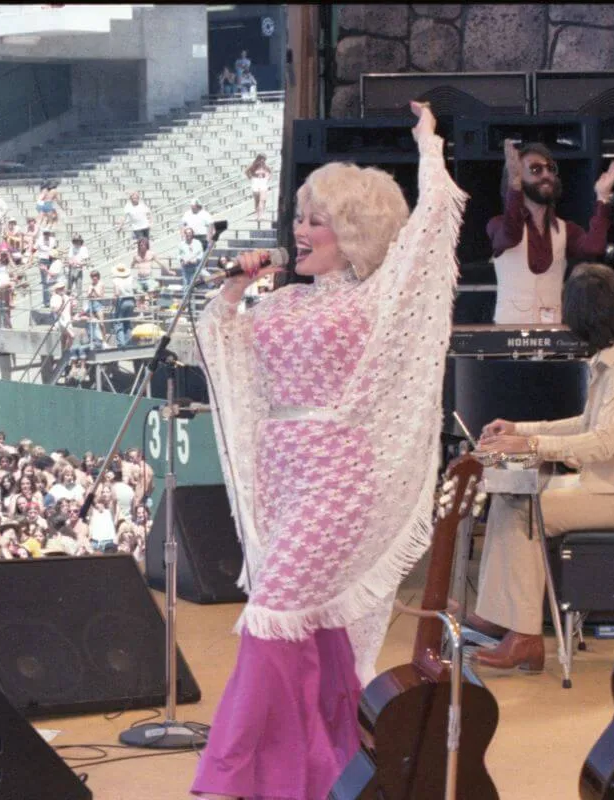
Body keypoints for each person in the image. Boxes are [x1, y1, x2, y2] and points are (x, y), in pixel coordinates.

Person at [190, 101, 466, 800]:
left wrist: (429, 150)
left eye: (318, 220)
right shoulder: (280, 304)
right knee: (313, 633)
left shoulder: (372, 304)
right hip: (283, 475)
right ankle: (327, 775)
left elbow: (430, 238)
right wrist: (233, 288)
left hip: (339, 478)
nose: (301, 230)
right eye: (301, 217)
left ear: (352, 233)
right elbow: (220, 347)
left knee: (273, 615)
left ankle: (227, 781)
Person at [470, 263, 614, 671]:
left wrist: (532, 444)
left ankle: (524, 637)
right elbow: (585, 423)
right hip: (611, 487)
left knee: (528, 510)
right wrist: (519, 427)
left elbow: (600, 442)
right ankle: (499, 616)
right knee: (510, 501)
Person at [487, 141, 614, 324]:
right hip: (509, 339)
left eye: (550, 168)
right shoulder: (497, 224)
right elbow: (511, 234)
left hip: (554, 337)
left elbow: (594, 247)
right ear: (516, 176)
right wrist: (514, 188)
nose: (546, 174)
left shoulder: (566, 229)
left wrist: (602, 198)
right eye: (536, 170)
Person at [244, 154, 272, 225]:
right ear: (258, 159)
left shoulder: (265, 166)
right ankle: (257, 215)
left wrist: (267, 178)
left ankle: (261, 215)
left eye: (264, 159)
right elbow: (246, 171)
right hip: (255, 181)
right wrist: (250, 178)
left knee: (262, 199)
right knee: (257, 200)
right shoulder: (253, 165)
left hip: (262, 181)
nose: (262, 161)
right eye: (261, 159)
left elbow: (270, 172)